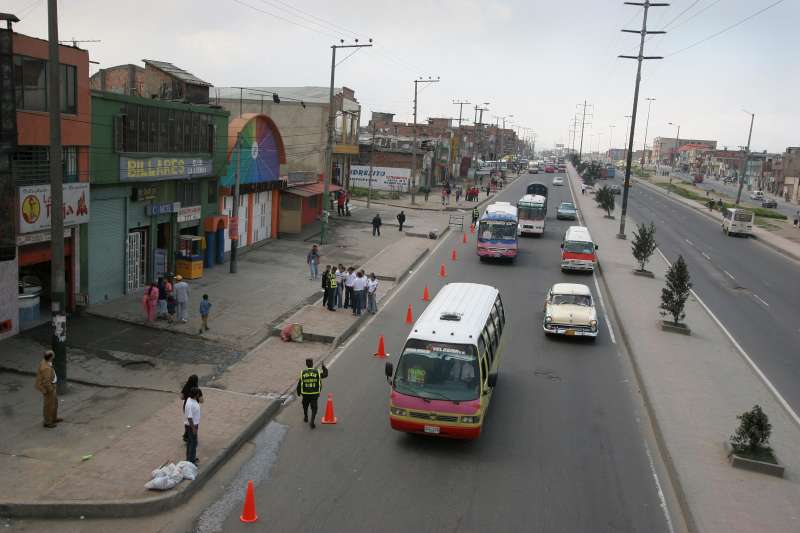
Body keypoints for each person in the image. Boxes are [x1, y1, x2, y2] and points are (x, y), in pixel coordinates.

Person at [296, 359, 329, 429]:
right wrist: (323, 367)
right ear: (312, 364)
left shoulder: (303, 373)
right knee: (314, 408)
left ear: (306, 364)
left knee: (305, 406)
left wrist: (298, 392)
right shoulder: (317, 372)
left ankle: (306, 416)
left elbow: (299, 383)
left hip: (305, 394)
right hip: (314, 394)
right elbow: (325, 375)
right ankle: (312, 421)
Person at [35, 350, 61, 428]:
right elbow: (46, 382)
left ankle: (54, 418)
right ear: (50, 357)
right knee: (49, 405)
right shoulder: (46, 368)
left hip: (52, 386)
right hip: (49, 388)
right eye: (53, 355)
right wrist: (50, 390)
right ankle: (48, 422)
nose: (54, 356)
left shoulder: (46, 362)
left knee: (55, 403)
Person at [180, 375, 204, 442]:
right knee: (194, 421)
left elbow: (181, 397)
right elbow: (201, 401)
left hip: (186, 406)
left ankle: (186, 435)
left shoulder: (186, 386)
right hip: (194, 408)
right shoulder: (197, 390)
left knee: (187, 421)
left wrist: (186, 397)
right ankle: (192, 436)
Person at [184, 387, 201, 465]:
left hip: (193, 425)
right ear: (196, 394)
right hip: (192, 426)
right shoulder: (190, 404)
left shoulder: (191, 400)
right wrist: (193, 428)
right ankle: (191, 461)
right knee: (193, 443)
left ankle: (190, 458)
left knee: (190, 442)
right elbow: (189, 417)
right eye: (198, 394)